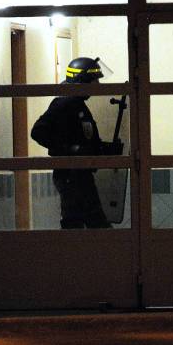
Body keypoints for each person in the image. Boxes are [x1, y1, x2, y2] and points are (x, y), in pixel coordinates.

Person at [31, 57, 122, 229]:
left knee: (91, 221)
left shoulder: (78, 105)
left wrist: (106, 149)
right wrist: (70, 149)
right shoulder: (64, 103)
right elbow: (38, 132)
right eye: (95, 80)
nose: (98, 85)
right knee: (82, 223)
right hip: (70, 175)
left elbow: (86, 141)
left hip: (81, 174)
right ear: (82, 80)